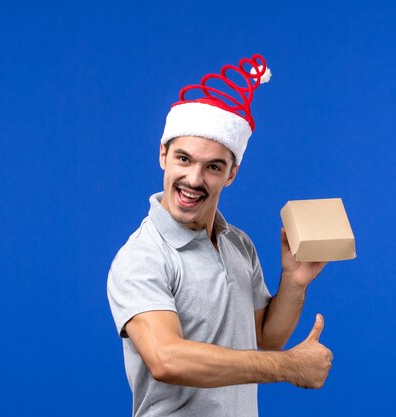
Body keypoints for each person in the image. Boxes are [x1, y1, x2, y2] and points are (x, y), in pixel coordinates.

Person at [107, 54, 333, 417]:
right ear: (163, 156)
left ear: (231, 175)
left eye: (213, 166)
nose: (194, 180)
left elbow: (264, 339)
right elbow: (166, 359)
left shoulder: (237, 243)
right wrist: (289, 366)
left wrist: (294, 280)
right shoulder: (144, 255)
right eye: (183, 159)